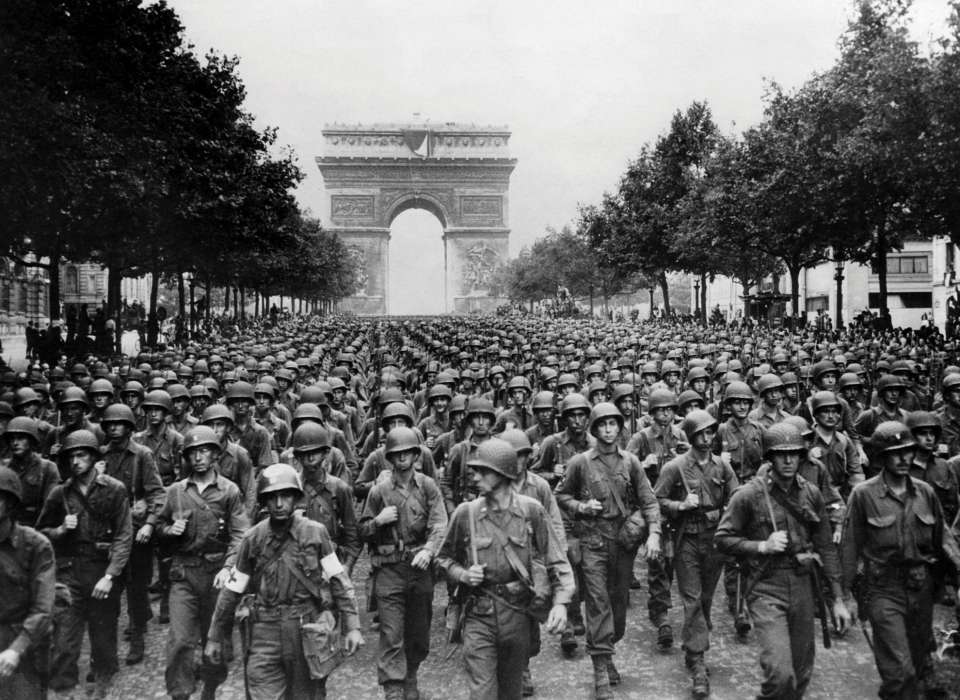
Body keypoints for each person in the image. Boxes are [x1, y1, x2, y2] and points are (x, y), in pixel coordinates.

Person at [715, 421, 851, 699]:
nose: (788, 460)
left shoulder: (811, 493)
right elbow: (723, 539)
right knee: (780, 675)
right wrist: (761, 546)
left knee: (801, 675)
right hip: (765, 586)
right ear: (770, 457)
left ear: (802, 456)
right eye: (780, 454)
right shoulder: (750, 494)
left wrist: (838, 599)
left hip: (803, 585)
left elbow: (826, 547)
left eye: (794, 453)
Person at [205, 463, 363, 700]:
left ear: (296, 498)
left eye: (285, 496)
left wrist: (353, 626)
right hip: (263, 632)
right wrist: (214, 637)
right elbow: (232, 590)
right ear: (264, 502)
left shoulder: (316, 533)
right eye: (272, 497)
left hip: (304, 631)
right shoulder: (253, 538)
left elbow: (339, 581)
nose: (279, 504)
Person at [436, 438, 574, 700]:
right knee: (483, 692)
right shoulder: (466, 513)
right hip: (479, 613)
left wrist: (561, 603)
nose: (474, 476)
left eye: (482, 471)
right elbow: (443, 559)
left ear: (502, 473)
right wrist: (463, 575)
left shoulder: (531, 511)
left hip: (517, 613)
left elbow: (556, 560)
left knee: (511, 692)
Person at [841, 421, 960, 699]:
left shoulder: (925, 492)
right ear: (882, 457)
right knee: (900, 671)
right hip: (883, 589)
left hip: (922, 588)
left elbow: (944, 540)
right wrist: (842, 596)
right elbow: (849, 547)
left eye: (908, 451)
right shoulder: (864, 494)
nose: (904, 458)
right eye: (896, 453)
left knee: (916, 668)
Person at [555, 402, 661, 700]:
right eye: (602, 425)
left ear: (620, 427)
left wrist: (653, 534)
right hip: (593, 541)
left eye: (613, 424)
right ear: (594, 429)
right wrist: (581, 507)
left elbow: (649, 501)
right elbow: (560, 495)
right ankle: (600, 668)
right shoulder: (580, 462)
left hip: (623, 543)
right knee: (598, 603)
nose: (608, 429)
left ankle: (608, 651)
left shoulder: (631, 462)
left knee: (618, 610)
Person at [37, 430, 132, 700]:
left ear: (93, 457)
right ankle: (64, 690)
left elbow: (124, 535)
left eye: (81, 455)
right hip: (68, 570)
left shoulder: (114, 489)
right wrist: (59, 530)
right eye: (71, 457)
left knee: (103, 635)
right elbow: (40, 533)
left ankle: (102, 682)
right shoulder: (59, 493)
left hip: (101, 568)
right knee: (65, 638)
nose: (75, 461)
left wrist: (111, 575)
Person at [158, 426, 249, 700]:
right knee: (180, 639)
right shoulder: (175, 491)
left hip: (216, 573)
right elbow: (159, 525)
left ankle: (210, 686)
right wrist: (167, 530)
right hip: (183, 572)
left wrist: (228, 567)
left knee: (215, 639)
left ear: (215, 456)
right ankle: (180, 691)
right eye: (193, 453)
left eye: (204, 451)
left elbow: (240, 534)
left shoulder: (228, 491)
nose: (198, 458)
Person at [654, 409, 738, 699]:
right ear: (690, 436)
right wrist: (680, 506)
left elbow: (736, 499)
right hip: (686, 538)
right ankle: (698, 661)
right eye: (701, 433)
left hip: (714, 539)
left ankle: (694, 645)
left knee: (705, 599)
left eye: (710, 432)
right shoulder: (675, 467)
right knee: (691, 600)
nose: (707, 437)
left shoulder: (722, 467)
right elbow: (656, 501)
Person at [359, 426, 447, 700]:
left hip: (419, 569)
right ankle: (394, 686)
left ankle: (411, 674)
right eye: (396, 454)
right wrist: (378, 521)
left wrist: (430, 550)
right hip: (389, 569)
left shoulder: (428, 486)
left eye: (407, 452)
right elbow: (360, 531)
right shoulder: (379, 491)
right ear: (390, 457)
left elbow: (440, 523)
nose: (402, 458)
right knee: (391, 631)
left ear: (415, 454)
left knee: (419, 632)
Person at [99, 402, 166, 665]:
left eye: (120, 423)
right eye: (110, 424)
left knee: (137, 587)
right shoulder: (100, 455)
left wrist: (150, 523)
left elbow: (157, 493)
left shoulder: (142, 455)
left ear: (129, 427)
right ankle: (104, 653)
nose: (114, 427)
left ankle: (137, 636)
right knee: (108, 589)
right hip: (106, 531)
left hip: (136, 529)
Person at [0, 465, 55, 700]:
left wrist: (16, 649)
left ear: (10, 505)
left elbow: (43, 608)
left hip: (25, 641)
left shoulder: (36, 545)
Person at [2, 417, 60, 528]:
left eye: (20, 438)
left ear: (31, 440)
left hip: (36, 529)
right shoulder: (3, 468)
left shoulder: (48, 468)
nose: (15, 443)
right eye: (12, 439)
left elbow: (49, 508)